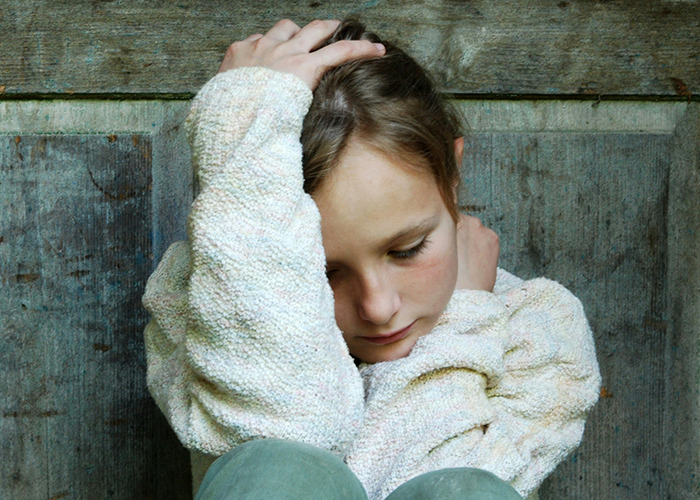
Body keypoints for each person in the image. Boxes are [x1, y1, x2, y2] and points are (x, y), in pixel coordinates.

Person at [143, 18, 601, 500]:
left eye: (407, 249)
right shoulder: (208, 304)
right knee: (282, 468)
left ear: (453, 177)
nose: (378, 308)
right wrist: (244, 136)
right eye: (322, 272)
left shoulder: (536, 330)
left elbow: (427, 483)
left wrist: (464, 324)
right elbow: (290, 430)